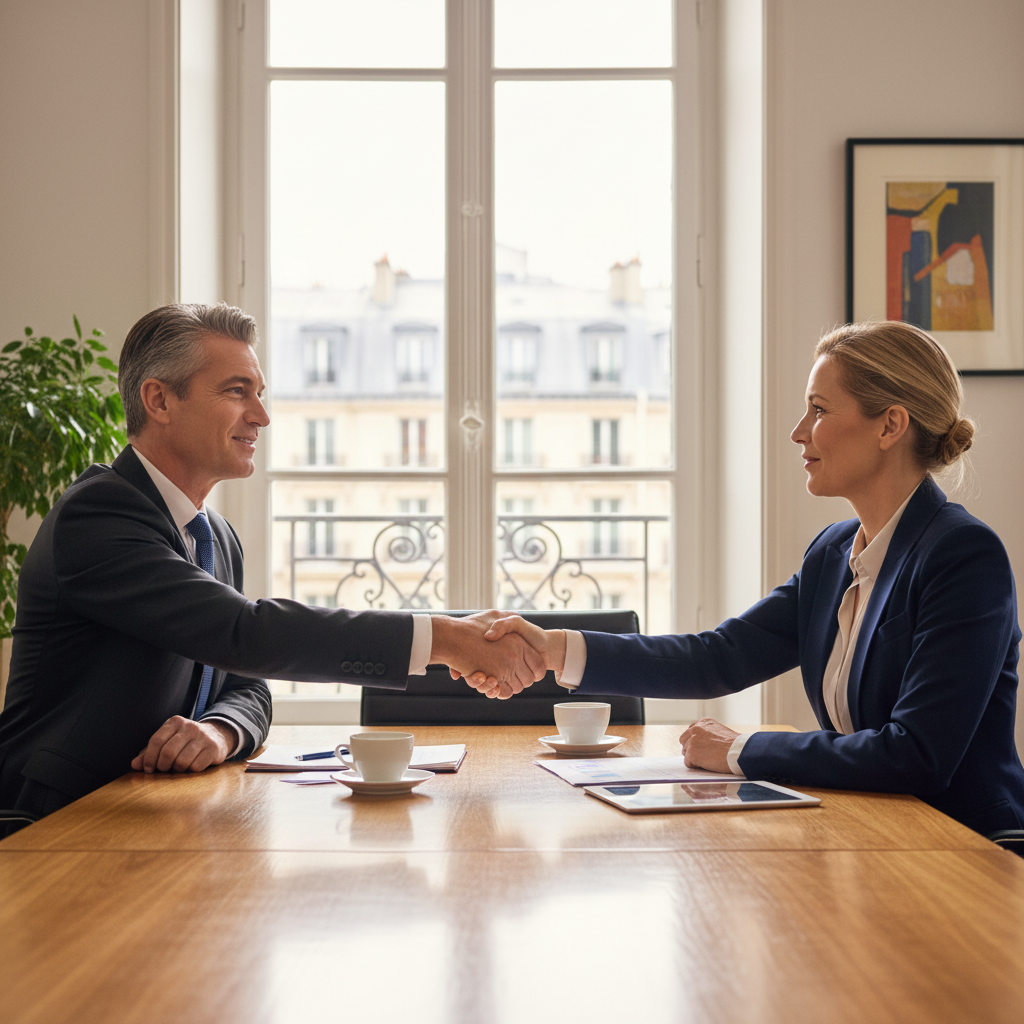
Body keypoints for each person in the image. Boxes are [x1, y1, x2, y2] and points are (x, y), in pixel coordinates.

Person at [475, 321, 1024, 837]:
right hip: (873, 829)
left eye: (818, 409)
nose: (798, 431)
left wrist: (742, 749)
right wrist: (550, 650)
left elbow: (916, 757)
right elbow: (717, 657)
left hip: (966, 846)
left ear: (890, 425)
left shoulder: (962, 555)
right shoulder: (833, 552)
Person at [0, 303, 542, 823]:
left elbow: (248, 684)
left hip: (158, 811)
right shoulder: (97, 516)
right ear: (159, 401)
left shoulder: (214, 534)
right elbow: (245, 634)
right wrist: (445, 638)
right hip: (58, 819)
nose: (261, 416)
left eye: (259, 394)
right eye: (237, 392)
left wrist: (221, 731)